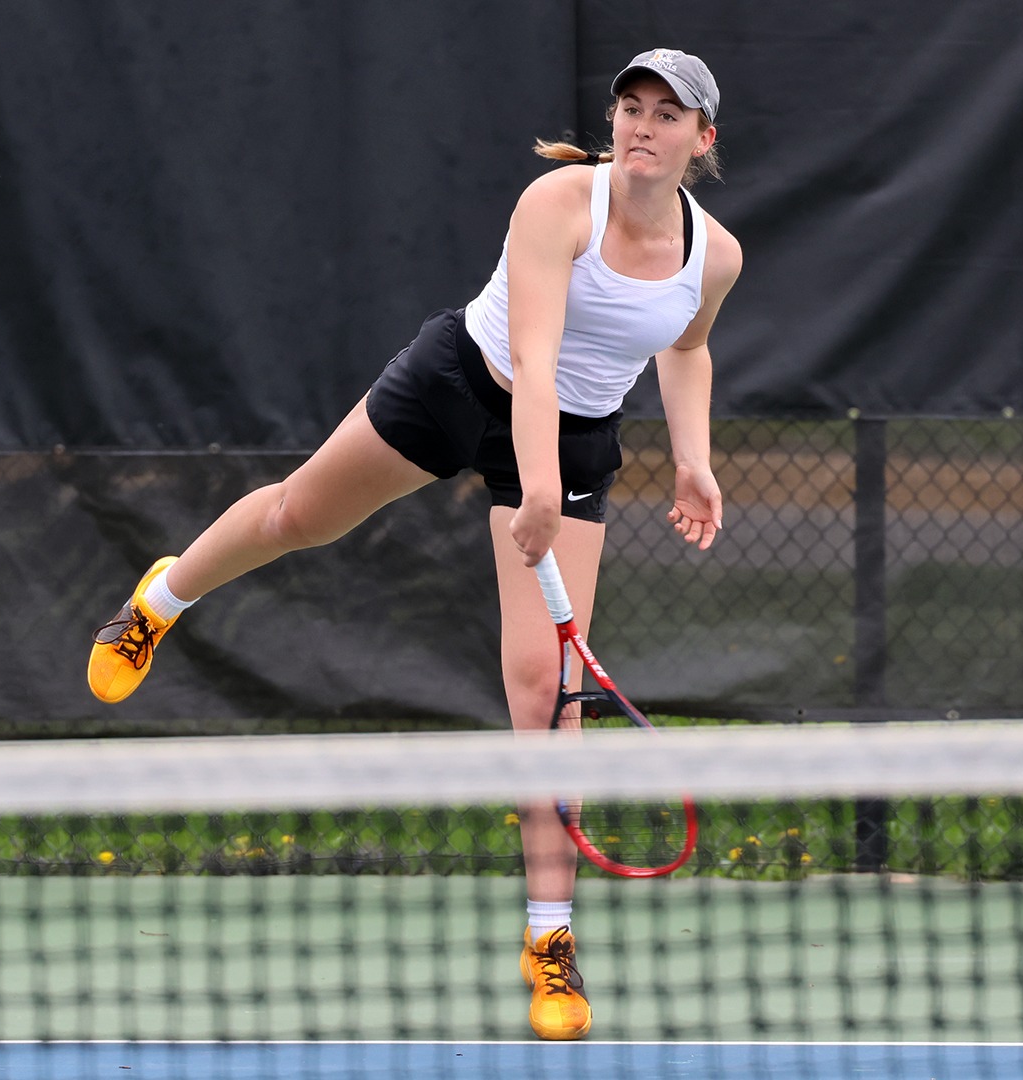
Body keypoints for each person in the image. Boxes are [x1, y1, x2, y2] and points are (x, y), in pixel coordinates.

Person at [87, 48, 741, 1042]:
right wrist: (524, 494)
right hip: (463, 388)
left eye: (667, 112)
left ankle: (551, 941)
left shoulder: (716, 255)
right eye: (630, 107)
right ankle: (160, 601)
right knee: (300, 516)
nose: (642, 125)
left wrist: (692, 459)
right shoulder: (560, 204)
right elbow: (533, 357)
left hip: (572, 441)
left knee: (544, 696)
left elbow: (686, 349)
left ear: (703, 138)